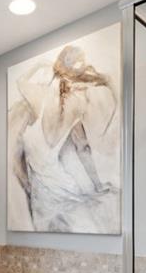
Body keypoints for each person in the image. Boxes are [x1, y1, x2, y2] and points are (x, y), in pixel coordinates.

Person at [9, 44, 119, 232]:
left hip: (47, 196)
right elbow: (83, 150)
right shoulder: (74, 107)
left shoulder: (40, 99)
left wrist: (40, 65)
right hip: (60, 192)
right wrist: (97, 185)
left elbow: (20, 81)